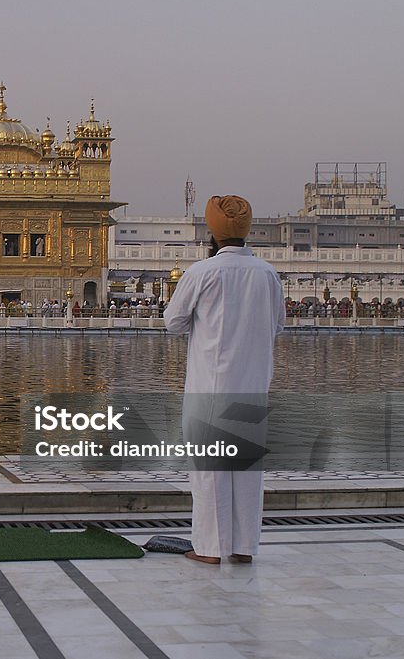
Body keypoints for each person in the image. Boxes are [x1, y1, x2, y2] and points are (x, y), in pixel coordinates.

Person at [164, 195, 284, 565]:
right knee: (247, 471)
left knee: (210, 471)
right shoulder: (267, 274)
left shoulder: (202, 273)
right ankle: (244, 546)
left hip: (210, 387)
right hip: (253, 385)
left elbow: (173, 322)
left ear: (213, 236)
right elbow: (277, 325)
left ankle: (211, 548)